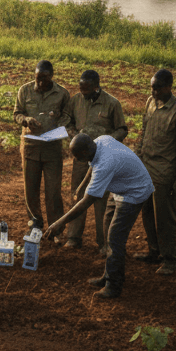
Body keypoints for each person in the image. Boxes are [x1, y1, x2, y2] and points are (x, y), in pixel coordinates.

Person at [45, 134, 155, 299]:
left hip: (134, 191)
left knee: (115, 237)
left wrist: (60, 223)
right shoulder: (99, 142)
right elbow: (92, 165)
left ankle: (113, 285)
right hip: (121, 186)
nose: (75, 159)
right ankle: (107, 275)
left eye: (77, 156)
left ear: (86, 151)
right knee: (107, 225)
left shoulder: (105, 164)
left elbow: (86, 201)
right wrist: (83, 184)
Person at [134, 68, 176, 276]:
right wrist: (137, 156)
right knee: (147, 212)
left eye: (158, 88)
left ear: (169, 87)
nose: (154, 92)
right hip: (145, 168)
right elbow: (144, 132)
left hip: (165, 172)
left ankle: (170, 259)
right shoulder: (151, 103)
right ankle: (154, 251)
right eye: (152, 88)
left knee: (166, 218)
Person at [64, 70, 128, 254]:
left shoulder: (112, 103)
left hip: (103, 160)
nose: (83, 93)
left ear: (96, 87)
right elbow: (68, 122)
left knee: (101, 199)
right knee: (78, 193)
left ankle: (103, 242)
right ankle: (73, 237)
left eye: (86, 90)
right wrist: (73, 135)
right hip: (81, 158)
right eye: (80, 89)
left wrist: (106, 142)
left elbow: (122, 129)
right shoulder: (75, 100)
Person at [13, 60, 70, 237]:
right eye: (37, 78)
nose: (39, 83)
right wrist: (26, 120)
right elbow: (16, 114)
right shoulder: (25, 90)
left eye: (43, 79)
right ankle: (35, 225)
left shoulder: (62, 94)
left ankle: (56, 228)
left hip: (52, 149)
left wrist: (57, 128)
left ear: (51, 76)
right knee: (30, 190)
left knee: (53, 192)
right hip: (30, 147)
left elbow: (67, 118)